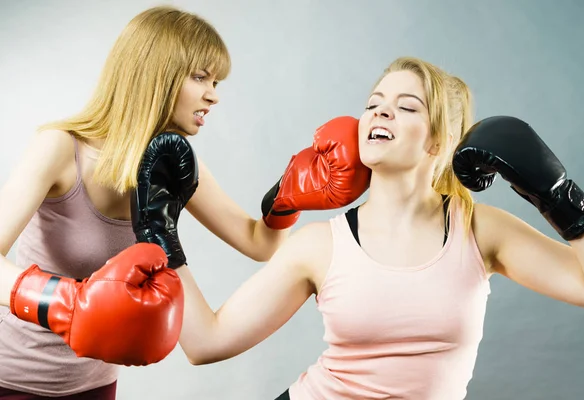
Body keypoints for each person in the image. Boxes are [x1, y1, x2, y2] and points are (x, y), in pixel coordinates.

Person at [143, 56, 584, 400]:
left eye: (406, 107)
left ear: (438, 139)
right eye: (373, 105)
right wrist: (159, 234)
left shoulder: (479, 230)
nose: (380, 113)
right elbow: (205, 343)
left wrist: (560, 194)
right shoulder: (321, 245)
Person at [0, 5, 370, 399]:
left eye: (217, 82)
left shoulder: (170, 163)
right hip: (10, 376)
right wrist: (65, 302)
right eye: (201, 77)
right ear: (155, 74)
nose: (214, 96)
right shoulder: (61, 148)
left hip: (93, 386)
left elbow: (260, 244)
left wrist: (286, 199)